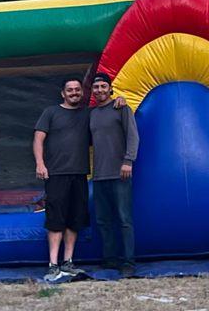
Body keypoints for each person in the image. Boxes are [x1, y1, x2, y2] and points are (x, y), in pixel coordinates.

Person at [33, 77, 125, 282]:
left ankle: (68, 262)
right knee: (56, 219)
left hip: (80, 174)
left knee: (75, 220)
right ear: (63, 93)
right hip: (56, 174)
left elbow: (106, 110)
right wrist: (40, 163)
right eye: (70, 90)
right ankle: (53, 264)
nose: (74, 93)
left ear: (82, 93)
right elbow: (39, 138)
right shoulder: (50, 112)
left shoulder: (88, 114)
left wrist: (120, 99)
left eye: (77, 90)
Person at [89, 72, 139, 277]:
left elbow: (133, 136)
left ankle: (128, 262)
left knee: (124, 219)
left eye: (103, 86)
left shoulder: (122, 108)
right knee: (103, 220)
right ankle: (110, 259)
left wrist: (128, 161)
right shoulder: (90, 114)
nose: (100, 90)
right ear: (92, 91)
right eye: (96, 87)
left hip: (120, 174)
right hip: (99, 175)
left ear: (110, 89)